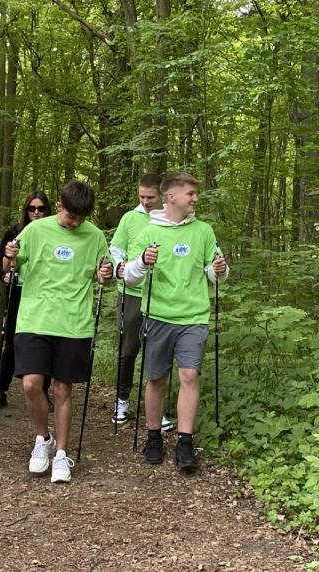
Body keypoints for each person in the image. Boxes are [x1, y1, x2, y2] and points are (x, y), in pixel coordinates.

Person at [4, 180, 112, 483]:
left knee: (63, 389)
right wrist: (10, 255)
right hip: (34, 318)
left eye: (81, 218)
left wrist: (105, 275)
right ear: (60, 206)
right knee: (30, 384)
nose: (75, 222)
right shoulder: (36, 230)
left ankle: (62, 454)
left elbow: (105, 275)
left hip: (74, 322)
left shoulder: (95, 237)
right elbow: (9, 263)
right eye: (71, 216)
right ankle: (43, 440)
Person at [124, 172, 228, 474]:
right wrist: (144, 260)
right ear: (171, 196)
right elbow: (130, 275)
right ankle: (153, 436)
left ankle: (185, 441)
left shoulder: (204, 231)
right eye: (190, 193)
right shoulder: (148, 232)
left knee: (189, 376)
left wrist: (218, 269)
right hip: (157, 315)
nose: (195, 198)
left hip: (194, 316)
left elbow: (215, 272)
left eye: (195, 193)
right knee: (156, 378)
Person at [109, 173, 163, 427]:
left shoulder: (169, 220)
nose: (145, 201)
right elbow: (116, 249)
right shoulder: (130, 218)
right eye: (141, 196)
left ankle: (157, 409)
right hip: (130, 293)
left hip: (160, 294)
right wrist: (119, 265)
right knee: (128, 350)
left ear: (161, 194)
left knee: (157, 351)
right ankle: (121, 402)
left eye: (150, 197)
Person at [0, 191, 53, 410]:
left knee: (46, 342)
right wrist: (3, 275)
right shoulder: (15, 233)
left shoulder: (54, 234)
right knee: (10, 342)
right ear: (25, 210)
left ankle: (44, 391)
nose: (36, 212)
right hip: (17, 292)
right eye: (32, 208)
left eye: (41, 208)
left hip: (45, 294)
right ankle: (1, 389)